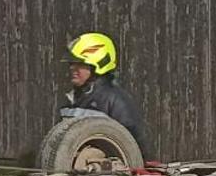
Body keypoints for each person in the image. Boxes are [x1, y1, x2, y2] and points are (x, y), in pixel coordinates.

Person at [61, 32, 153, 160]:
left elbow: (136, 149)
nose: (72, 68)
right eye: (71, 63)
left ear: (98, 65)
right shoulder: (71, 100)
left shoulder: (116, 101)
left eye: (79, 63)